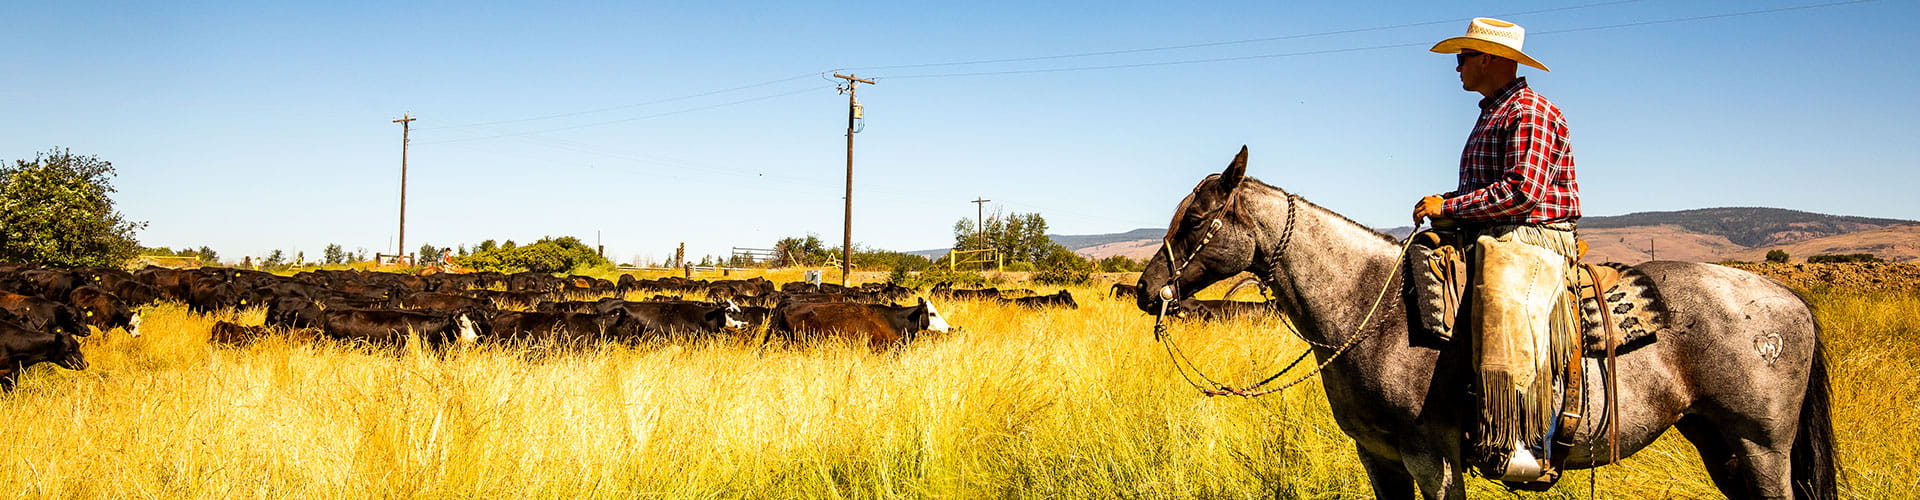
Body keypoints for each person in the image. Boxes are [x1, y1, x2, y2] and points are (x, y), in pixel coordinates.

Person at [1413, 17, 1581, 485]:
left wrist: (1448, 205)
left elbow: (1522, 192)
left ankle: (1524, 440)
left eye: (1462, 57)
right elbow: (1486, 189)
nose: (1457, 67)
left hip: (1527, 236)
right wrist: (1448, 209)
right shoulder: (1493, 111)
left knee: (1503, 304)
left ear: (1487, 58)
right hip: (1490, 230)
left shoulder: (1529, 110)